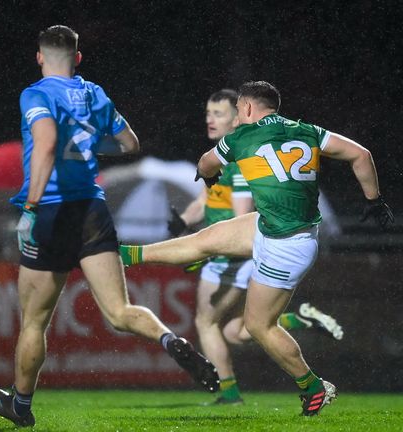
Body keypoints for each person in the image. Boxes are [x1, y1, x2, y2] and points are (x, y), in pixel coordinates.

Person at [0, 25, 220, 428]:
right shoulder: (95, 93)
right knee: (119, 311)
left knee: (34, 321)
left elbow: (44, 145)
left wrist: (30, 207)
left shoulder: (36, 94)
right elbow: (130, 144)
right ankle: (171, 340)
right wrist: (89, 146)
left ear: (40, 57)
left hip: (53, 212)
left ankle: (20, 405)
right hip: (92, 210)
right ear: (77, 59)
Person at [120, 81, 393, 416]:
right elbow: (361, 155)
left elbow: (205, 164)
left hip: (285, 244)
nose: (237, 115)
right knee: (207, 240)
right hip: (278, 226)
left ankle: (313, 387)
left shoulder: (241, 137)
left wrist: (208, 180)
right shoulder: (307, 130)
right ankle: (127, 255)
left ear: (247, 107)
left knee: (257, 327)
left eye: (236, 110)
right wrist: (375, 201)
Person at [162, 89, 343, 405]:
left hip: (238, 251)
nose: (210, 119)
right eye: (207, 113)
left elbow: (243, 215)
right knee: (239, 330)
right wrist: (185, 222)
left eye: (218, 113)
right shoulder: (228, 154)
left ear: (239, 115)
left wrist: (207, 248)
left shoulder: (244, 153)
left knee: (208, 322)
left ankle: (229, 393)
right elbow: (206, 199)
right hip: (236, 248)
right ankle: (297, 320)